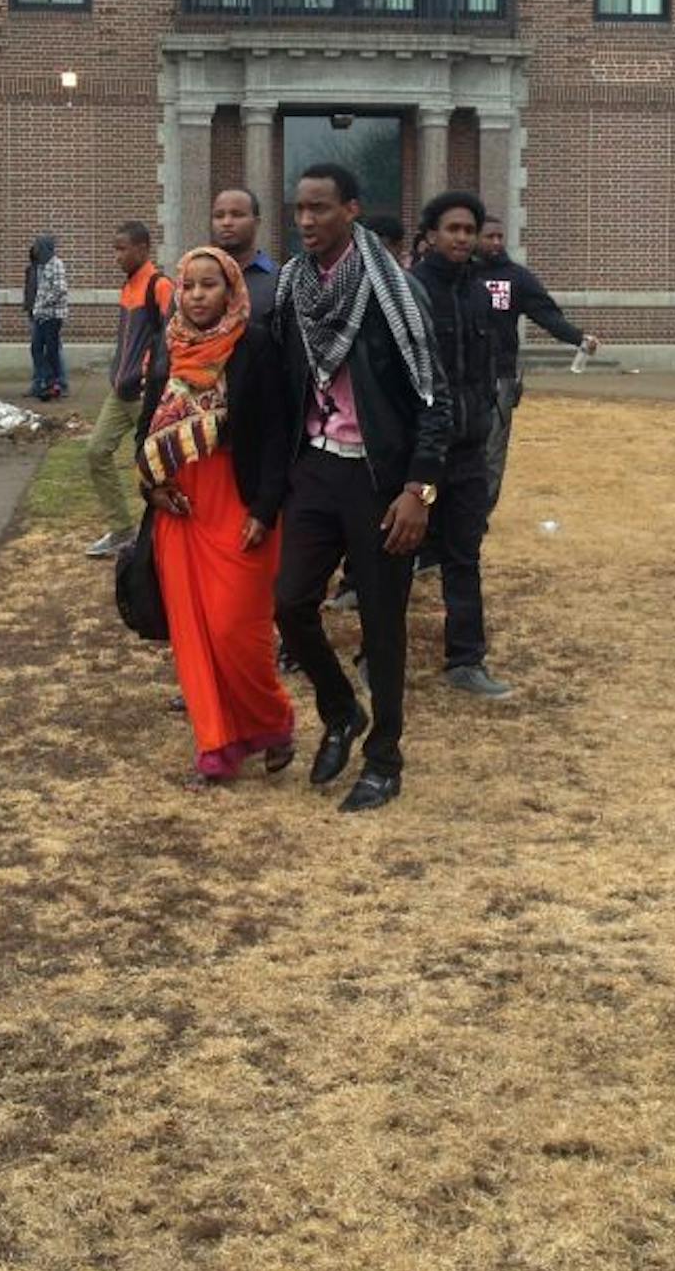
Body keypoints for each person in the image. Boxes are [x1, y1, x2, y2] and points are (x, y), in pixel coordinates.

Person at [273, 163, 451, 814]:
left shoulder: (395, 293)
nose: (306, 221)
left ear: (351, 209)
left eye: (320, 208)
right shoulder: (294, 288)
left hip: (380, 481)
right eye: (299, 209)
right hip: (315, 469)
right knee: (289, 603)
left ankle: (384, 760)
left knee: (382, 624)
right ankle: (342, 710)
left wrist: (419, 490)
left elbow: (435, 399)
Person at [136, 247, 296, 785]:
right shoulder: (168, 344)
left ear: (231, 290)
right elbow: (147, 423)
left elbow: (277, 433)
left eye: (210, 285)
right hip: (180, 504)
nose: (198, 295)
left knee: (235, 629)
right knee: (194, 634)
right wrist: (152, 487)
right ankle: (216, 746)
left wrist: (266, 508)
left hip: (239, 498)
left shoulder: (254, 344)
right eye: (189, 286)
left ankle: (272, 723)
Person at [411, 193, 512, 698]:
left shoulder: (479, 292)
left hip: (469, 450)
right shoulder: (411, 292)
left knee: (464, 557)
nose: (462, 238)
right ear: (431, 235)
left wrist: (490, 413)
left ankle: (466, 660)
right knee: (395, 558)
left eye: (469, 230)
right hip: (419, 457)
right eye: (453, 229)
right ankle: (376, 655)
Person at [475, 215, 598, 514]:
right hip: (460, 374)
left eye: (500, 237)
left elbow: (547, 314)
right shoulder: (460, 274)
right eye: (489, 236)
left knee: (493, 448)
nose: (496, 242)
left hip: (501, 375)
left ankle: (480, 512)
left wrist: (578, 337)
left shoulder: (516, 278)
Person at [84, 222, 175, 559]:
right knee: (96, 451)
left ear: (142, 248)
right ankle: (122, 530)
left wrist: (152, 372)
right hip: (119, 392)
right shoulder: (128, 286)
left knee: (158, 466)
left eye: (122, 249)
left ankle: (168, 535)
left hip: (145, 396)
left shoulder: (160, 285)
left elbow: (173, 334)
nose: (117, 256)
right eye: (115, 249)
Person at [210, 186, 280, 319]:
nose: (226, 222)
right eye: (219, 216)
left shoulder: (280, 282)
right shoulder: (194, 279)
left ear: (256, 222)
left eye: (237, 215)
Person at [26, 234, 69, 400]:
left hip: (52, 316)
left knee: (52, 350)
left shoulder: (56, 264)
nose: (35, 250)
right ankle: (45, 381)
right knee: (36, 348)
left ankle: (55, 383)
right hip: (40, 315)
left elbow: (60, 289)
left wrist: (43, 303)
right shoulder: (41, 265)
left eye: (38, 246)